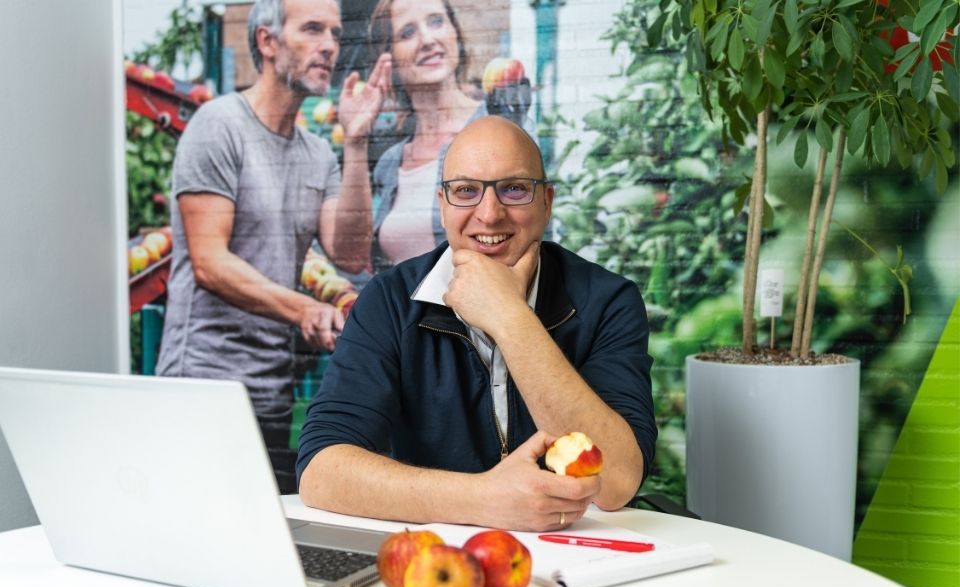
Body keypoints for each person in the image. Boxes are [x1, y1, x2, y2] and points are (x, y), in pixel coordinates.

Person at [297, 116, 656, 531]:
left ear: (547, 202)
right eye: (466, 191)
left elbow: (617, 481)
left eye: (514, 189)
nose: (489, 214)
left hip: (579, 553)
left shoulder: (608, 300)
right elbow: (320, 472)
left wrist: (510, 315)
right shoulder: (390, 301)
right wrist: (483, 499)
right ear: (443, 204)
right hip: (436, 557)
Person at [155, 0, 389, 492]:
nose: (329, 45)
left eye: (334, 33)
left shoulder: (317, 153)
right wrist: (305, 309)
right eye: (311, 29)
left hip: (271, 392)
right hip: (203, 387)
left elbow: (348, 254)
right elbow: (209, 262)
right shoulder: (219, 126)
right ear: (267, 41)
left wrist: (356, 141)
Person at [344, 0, 534, 275]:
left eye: (436, 22)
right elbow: (352, 257)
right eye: (407, 32)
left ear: (454, 33)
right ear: (389, 59)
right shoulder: (391, 162)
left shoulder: (502, 128)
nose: (428, 39)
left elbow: (526, 241)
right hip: (404, 317)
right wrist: (354, 139)